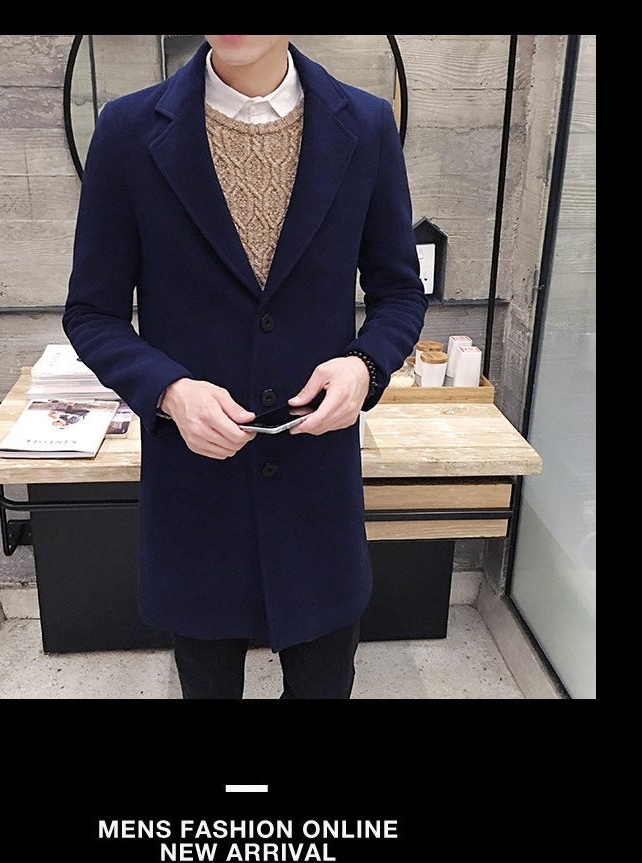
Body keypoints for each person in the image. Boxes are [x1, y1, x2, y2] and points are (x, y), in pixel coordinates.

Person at [63, 35, 427, 698]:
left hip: (316, 483)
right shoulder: (128, 130)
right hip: (196, 484)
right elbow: (92, 313)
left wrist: (365, 365)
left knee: (323, 682)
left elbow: (399, 291)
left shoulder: (367, 125)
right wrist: (168, 390)